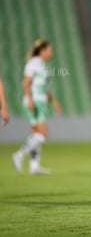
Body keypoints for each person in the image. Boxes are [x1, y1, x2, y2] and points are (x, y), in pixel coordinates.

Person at [12, 40, 63, 175]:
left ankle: (34, 166)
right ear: (42, 51)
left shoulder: (42, 65)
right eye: (49, 50)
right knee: (43, 134)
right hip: (35, 102)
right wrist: (30, 99)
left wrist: (54, 103)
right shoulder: (33, 63)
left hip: (39, 101)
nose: (51, 52)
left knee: (35, 134)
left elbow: (43, 88)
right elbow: (26, 83)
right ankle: (19, 155)